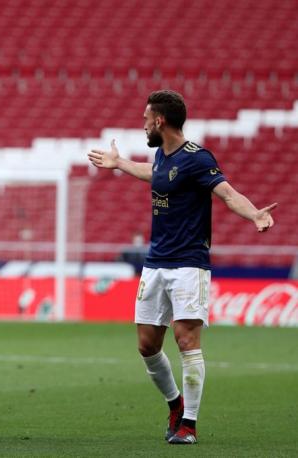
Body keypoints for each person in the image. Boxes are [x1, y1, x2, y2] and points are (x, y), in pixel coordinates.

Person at [88, 90, 277, 445]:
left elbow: (228, 194)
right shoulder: (161, 156)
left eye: (146, 118)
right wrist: (121, 164)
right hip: (155, 263)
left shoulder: (198, 159)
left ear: (160, 121)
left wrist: (255, 214)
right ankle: (175, 403)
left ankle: (188, 423)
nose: (143, 123)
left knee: (186, 340)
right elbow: (155, 172)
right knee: (147, 345)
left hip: (189, 264)